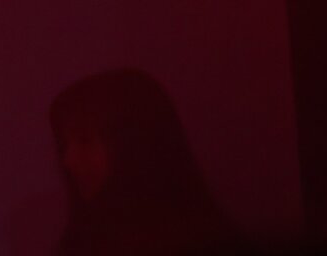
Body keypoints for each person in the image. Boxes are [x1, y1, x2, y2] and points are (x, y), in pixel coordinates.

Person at [50, 68, 231, 256]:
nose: (68, 161)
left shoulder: (206, 245)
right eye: (64, 145)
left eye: (85, 140)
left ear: (135, 142)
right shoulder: (86, 242)